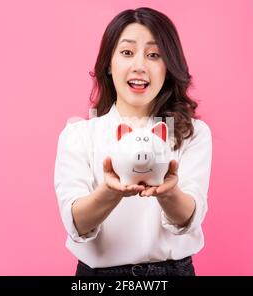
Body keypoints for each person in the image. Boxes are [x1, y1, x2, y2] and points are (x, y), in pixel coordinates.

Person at [54, 7, 212, 276]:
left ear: (169, 66)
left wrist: (169, 191)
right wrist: (111, 191)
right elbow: (76, 223)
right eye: (127, 52)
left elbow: (189, 219)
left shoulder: (191, 133)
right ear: (108, 63)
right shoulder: (79, 135)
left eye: (153, 55)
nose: (139, 66)